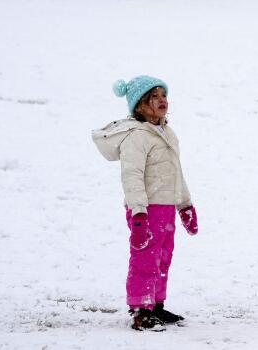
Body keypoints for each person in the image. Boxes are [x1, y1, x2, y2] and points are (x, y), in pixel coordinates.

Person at [92, 75, 199, 331]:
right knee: (145, 259)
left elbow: (176, 171)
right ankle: (141, 310)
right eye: (155, 96)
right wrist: (138, 213)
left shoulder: (167, 132)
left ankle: (156, 305)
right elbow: (132, 177)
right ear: (140, 104)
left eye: (164, 95)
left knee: (163, 258)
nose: (162, 100)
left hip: (166, 208)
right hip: (146, 209)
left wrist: (185, 205)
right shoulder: (136, 137)